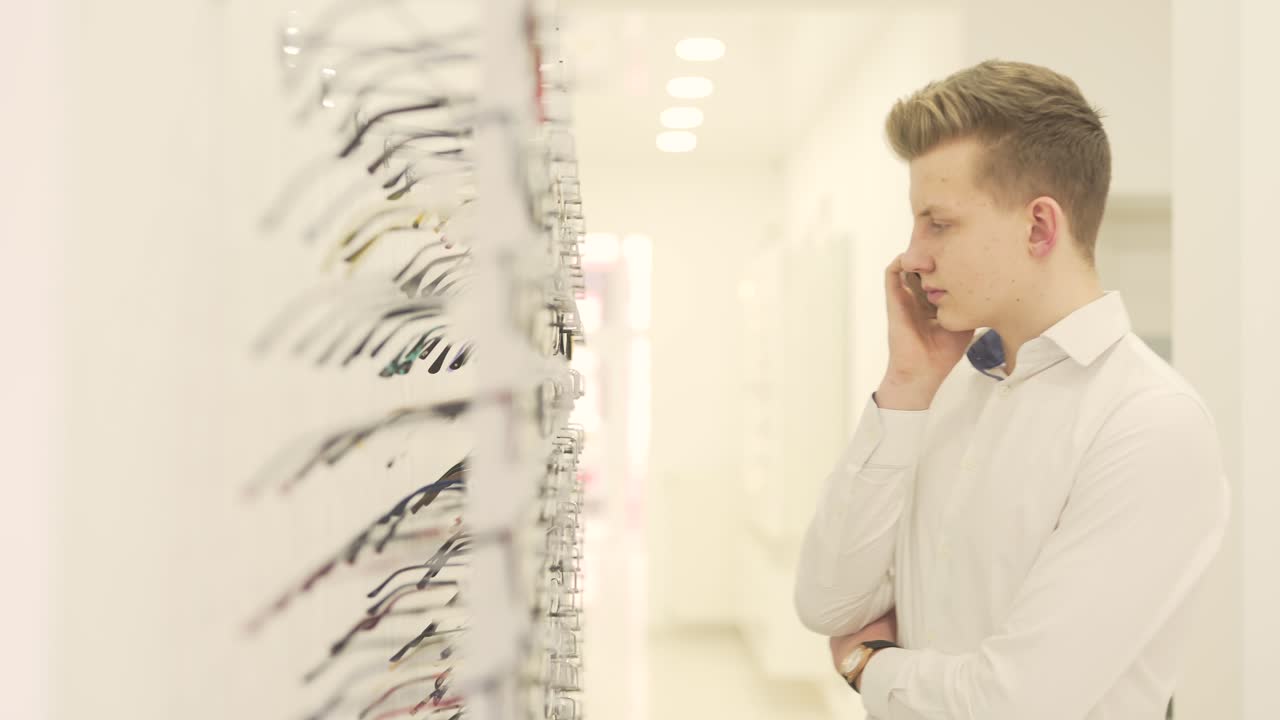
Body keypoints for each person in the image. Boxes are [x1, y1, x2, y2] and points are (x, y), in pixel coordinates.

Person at [792, 59, 1229, 719]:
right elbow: (826, 602)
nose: (912, 256)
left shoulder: (1149, 423)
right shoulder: (951, 392)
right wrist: (907, 386)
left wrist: (870, 665)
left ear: (1039, 228)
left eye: (939, 223)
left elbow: (1016, 703)